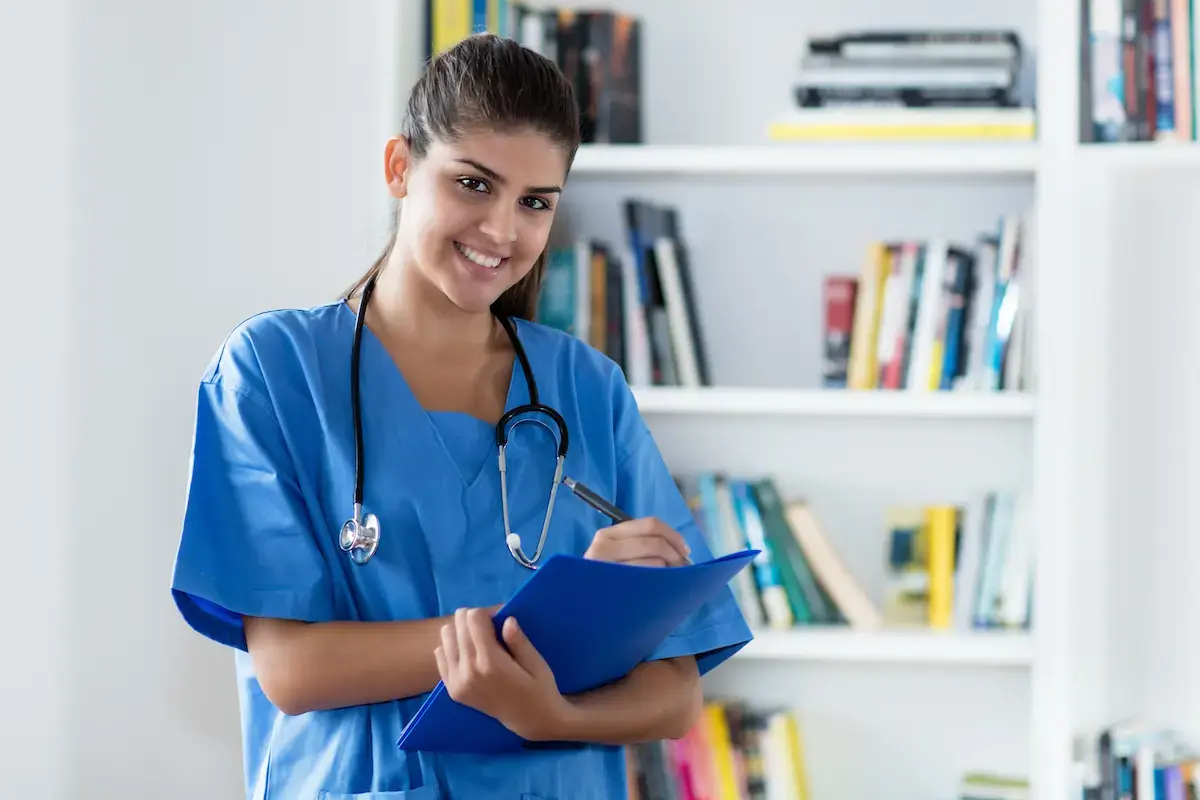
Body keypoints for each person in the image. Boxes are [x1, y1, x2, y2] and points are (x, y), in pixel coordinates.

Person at [170, 32, 752, 800]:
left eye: (535, 203)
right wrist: (537, 623)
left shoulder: (586, 388)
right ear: (400, 168)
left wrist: (547, 713)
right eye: (474, 184)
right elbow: (292, 670)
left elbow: (676, 693)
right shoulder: (274, 373)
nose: (503, 232)